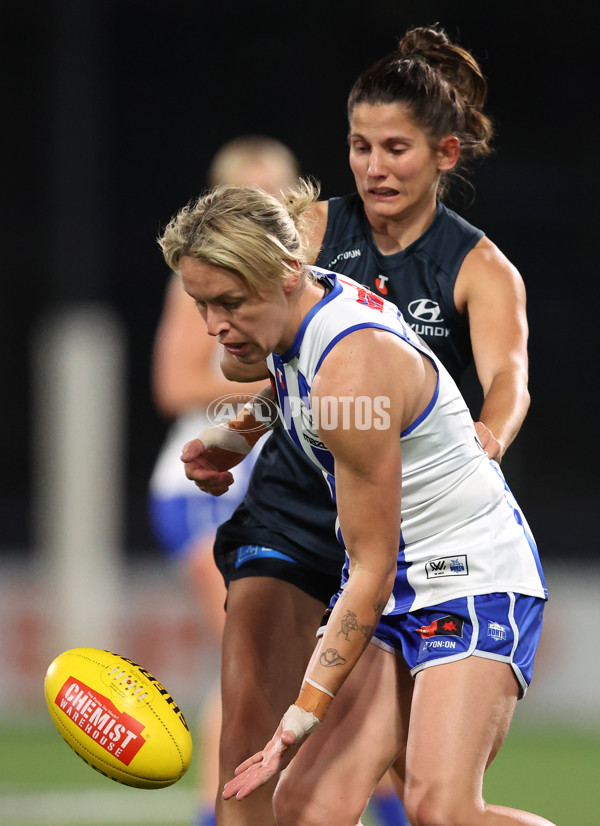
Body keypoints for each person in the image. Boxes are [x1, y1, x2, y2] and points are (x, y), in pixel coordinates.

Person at [180, 26, 533, 826]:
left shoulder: (476, 268)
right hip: (300, 512)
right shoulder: (307, 236)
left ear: (444, 154)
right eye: (359, 146)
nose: (374, 166)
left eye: (395, 148)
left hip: (412, 535)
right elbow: (286, 370)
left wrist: (487, 439)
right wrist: (237, 435)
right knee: (262, 756)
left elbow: (509, 379)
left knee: (429, 800)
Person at [148, 136, 300, 826]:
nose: (263, 203)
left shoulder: (298, 281)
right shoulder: (206, 279)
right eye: (248, 192)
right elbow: (175, 385)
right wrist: (277, 394)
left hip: (269, 486)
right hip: (205, 487)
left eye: (275, 192)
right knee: (256, 657)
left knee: (293, 660)